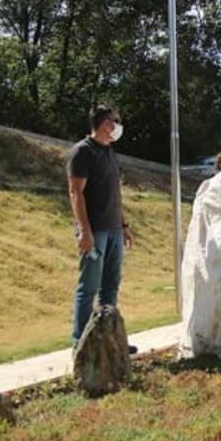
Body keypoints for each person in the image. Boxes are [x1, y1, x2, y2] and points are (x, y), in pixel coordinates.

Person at [67, 104, 134, 347]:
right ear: (106, 123)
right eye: (115, 121)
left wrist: (124, 225)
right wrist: (85, 231)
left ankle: (109, 340)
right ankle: (81, 343)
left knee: (110, 287)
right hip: (95, 231)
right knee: (89, 288)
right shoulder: (83, 152)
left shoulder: (110, 153)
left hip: (114, 230)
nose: (118, 126)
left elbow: (115, 193)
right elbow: (76, 192)